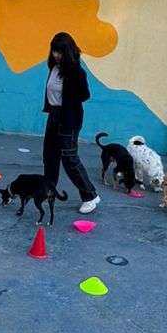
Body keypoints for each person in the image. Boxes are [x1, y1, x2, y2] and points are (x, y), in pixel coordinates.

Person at [42, 31, 101, 215]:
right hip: (53, 114)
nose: (56, 55)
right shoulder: (54, 67)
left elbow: (85, 95)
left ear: (67, 52)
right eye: (54, 51)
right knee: (50, 155)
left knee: (69, 158)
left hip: (69, 118)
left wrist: (69, 96)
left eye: (59, 52)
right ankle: (48, 190)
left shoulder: (76, 70)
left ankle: (90, 195)